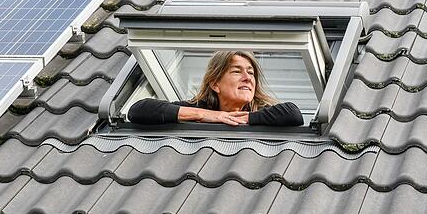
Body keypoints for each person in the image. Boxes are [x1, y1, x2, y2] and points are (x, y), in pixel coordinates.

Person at [128, 51, 304, 127]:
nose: (248, 78)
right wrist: (207, 115)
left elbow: (293, 114)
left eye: (251, 73)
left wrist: (245, 119)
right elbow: (139, 110)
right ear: (215, 84)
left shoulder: (262, 113)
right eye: (237, 71)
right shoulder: (198, 107)